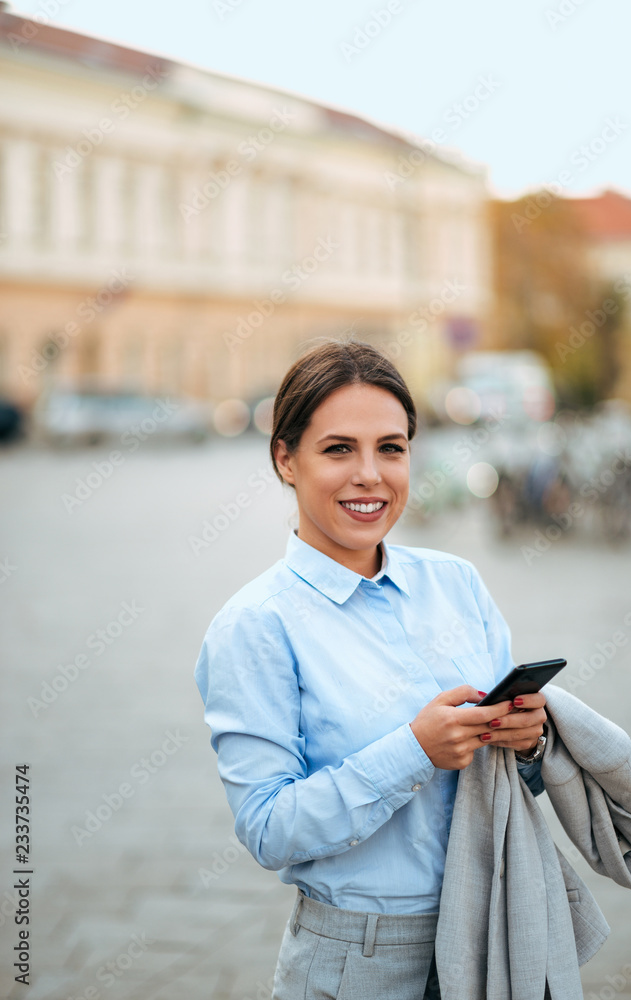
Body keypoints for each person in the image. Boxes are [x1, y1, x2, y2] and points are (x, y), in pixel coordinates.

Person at [194, 338, 552, 999]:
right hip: (359, 960)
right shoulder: (256, 627)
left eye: (391, 447)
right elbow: (270, 830)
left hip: (494, 935)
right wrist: (414, 751)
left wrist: (528, 740)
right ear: (285, 459)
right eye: (338, 449)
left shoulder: (457, 584)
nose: (370, 474)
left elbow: (520, 776)